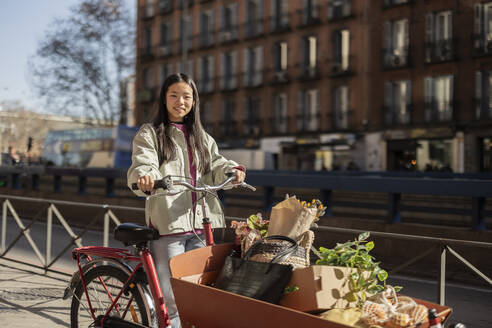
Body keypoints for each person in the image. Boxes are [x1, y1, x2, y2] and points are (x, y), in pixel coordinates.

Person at [127, 73, 245, 328]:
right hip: (169, 224)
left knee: (198, 294)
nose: (180, 101)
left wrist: (232, 171)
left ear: (194, 101)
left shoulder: (201, 136)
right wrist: (146, 177)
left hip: (202, 224)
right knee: (172, 298)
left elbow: (216, 163)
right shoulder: (151, 134)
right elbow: (143, 162)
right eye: (174, 95)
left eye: (186, 96)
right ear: (164, 98)